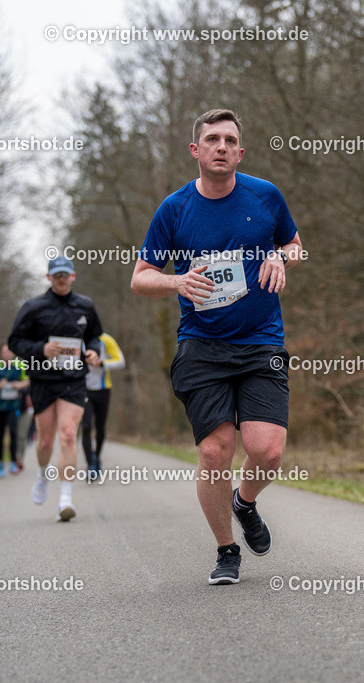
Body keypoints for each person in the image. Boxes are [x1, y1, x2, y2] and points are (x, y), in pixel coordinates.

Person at [131, 109, 304, 584]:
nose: (221, 146)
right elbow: (140, 278)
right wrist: (177, 283)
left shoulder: (265, 195)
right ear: (196, 150)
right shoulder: (174, 209)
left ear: (240, 152)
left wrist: (279, 255)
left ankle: (244, 502)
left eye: (230, 140)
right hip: (202, 345)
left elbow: (296, 245)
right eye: (212, 139)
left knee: (266, 452)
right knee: (215, 451)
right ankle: (227, 550)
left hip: (260, 341)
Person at [8, 255, 103, 522]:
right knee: (46, 441)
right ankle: (41, 476)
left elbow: (95, 336)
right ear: (49, 278)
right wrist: (41, 349)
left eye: (65, 275)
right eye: (56, 275)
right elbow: (15, 341)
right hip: (42, 379)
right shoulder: (33, 307)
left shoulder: (85, 305)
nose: (61, 279)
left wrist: (94, 352)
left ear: (73, 276)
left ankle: (65, 499)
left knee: (69, 435)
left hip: (73, 379)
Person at [82, 331, 125, 481]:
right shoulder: (77, 339)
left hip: (103, 389)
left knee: (100, 428)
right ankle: (90, 466)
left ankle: (96, 457)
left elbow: (121, 361)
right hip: (83, 390)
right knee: (86, 427)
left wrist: (102, 363)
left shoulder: (105, 339)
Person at [0, 342, 29, 476]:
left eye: (9, 351)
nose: (7, 354)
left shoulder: (19, 366)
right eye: (5, 352)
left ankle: (13, 462)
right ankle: (0, 464)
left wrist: (19, 385)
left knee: (14, 433)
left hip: (14, 406)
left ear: (13, 353)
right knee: (1, 436)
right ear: (0, 354)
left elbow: (28, 380)